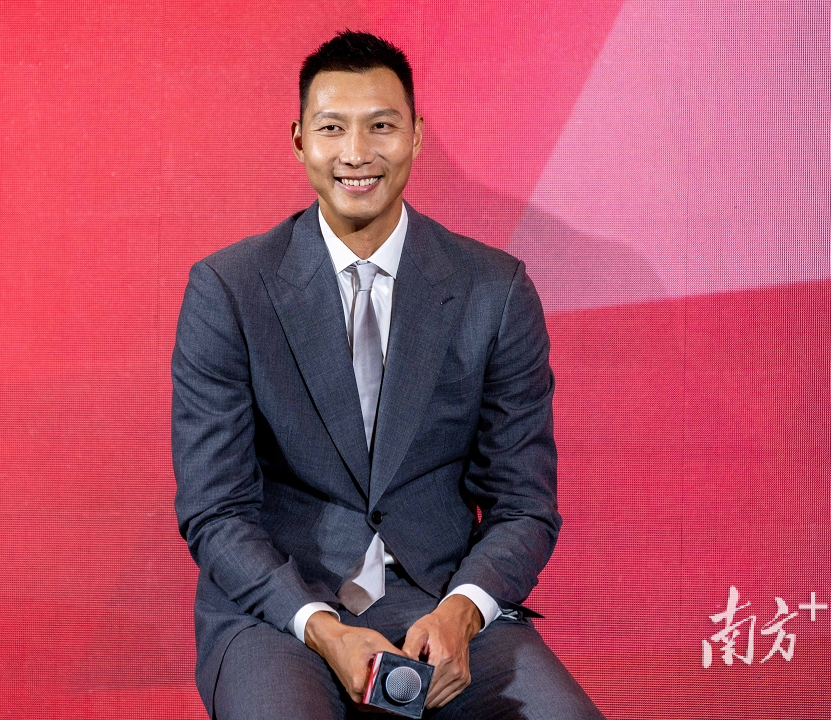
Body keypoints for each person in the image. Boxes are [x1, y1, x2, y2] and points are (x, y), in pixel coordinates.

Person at [172, 30, 605, 719]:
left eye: (380, 126)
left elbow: (523, 503)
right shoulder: (229, 289)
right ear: (298, 141)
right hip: (279, 611)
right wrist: (321, 626)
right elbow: (215, 510)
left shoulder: (493, 290)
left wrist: (464, 610)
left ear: (416, 136)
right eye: (331, 128)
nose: (356, 153)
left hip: (440, 600)